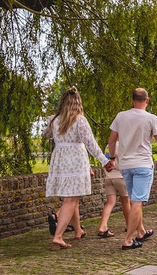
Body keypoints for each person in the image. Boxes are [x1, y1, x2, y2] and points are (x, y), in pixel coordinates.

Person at [46, 87, 114, 250]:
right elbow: (90, 143)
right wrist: (104, 160)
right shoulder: (79, 120)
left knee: (70, 197)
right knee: (71, 199)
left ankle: (78, 230)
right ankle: (59, 236)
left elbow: (46, 134)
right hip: (75, 159)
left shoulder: (55, 120)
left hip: (60, 160)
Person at [108, 88, 157, 250]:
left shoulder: (121, 116)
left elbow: (112, 140)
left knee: (135, 199)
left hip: (126, 165)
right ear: (147, 100)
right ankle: (128, 239)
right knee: (137, 201)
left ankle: (141, 231)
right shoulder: (151, 118)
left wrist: (113, 158)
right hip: (142, 164)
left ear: (132, 100)